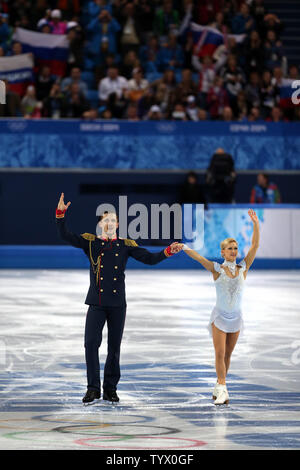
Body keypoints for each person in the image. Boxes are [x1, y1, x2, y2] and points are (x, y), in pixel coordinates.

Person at [55, 193, 182, 404]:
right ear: (100, 224)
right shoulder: (91, 242)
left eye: (113, 220)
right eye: (106, 220)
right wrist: (61, 214)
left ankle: (110, 389)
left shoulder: (126, 245)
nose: (110, 223)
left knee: (114, 348)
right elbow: (65, 235)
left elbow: (149, 259)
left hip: (117, 304)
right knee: (90, 344)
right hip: (96, 302)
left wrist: (167, 251)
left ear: (118, 224)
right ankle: (93, 388)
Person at [180, 209, 260, 405]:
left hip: (236, 318)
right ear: (222, 252)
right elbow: (200, 259)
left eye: (235, 248)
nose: (234, 251)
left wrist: (255, 224)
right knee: (219, 353)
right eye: (230, 248)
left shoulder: (243, 268)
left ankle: (218, 386)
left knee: (228, 355)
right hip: (220, 317)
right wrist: (183, 246)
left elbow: (255, 245)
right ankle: (224, 388)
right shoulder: (217, 269)